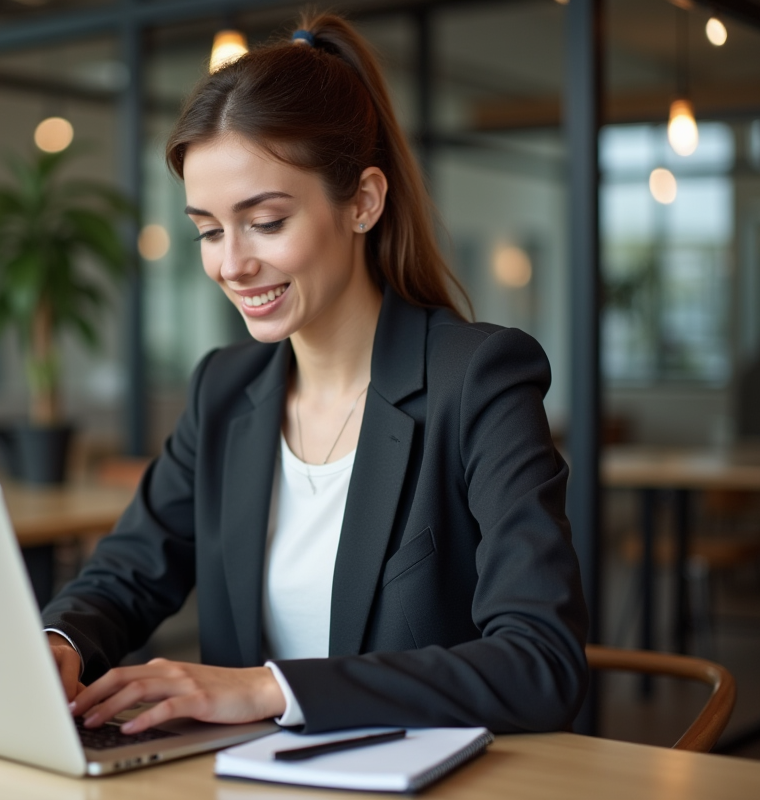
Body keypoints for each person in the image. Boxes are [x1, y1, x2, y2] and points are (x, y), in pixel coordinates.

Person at [42, 12, 588, 736]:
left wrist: (267, 691)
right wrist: (58, 646)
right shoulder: (223, 390)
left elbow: (541, 663)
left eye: (265, 222)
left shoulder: (478, 380)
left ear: (363, 201)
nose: (230, 263)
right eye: (208, 229)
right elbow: (126, 575)